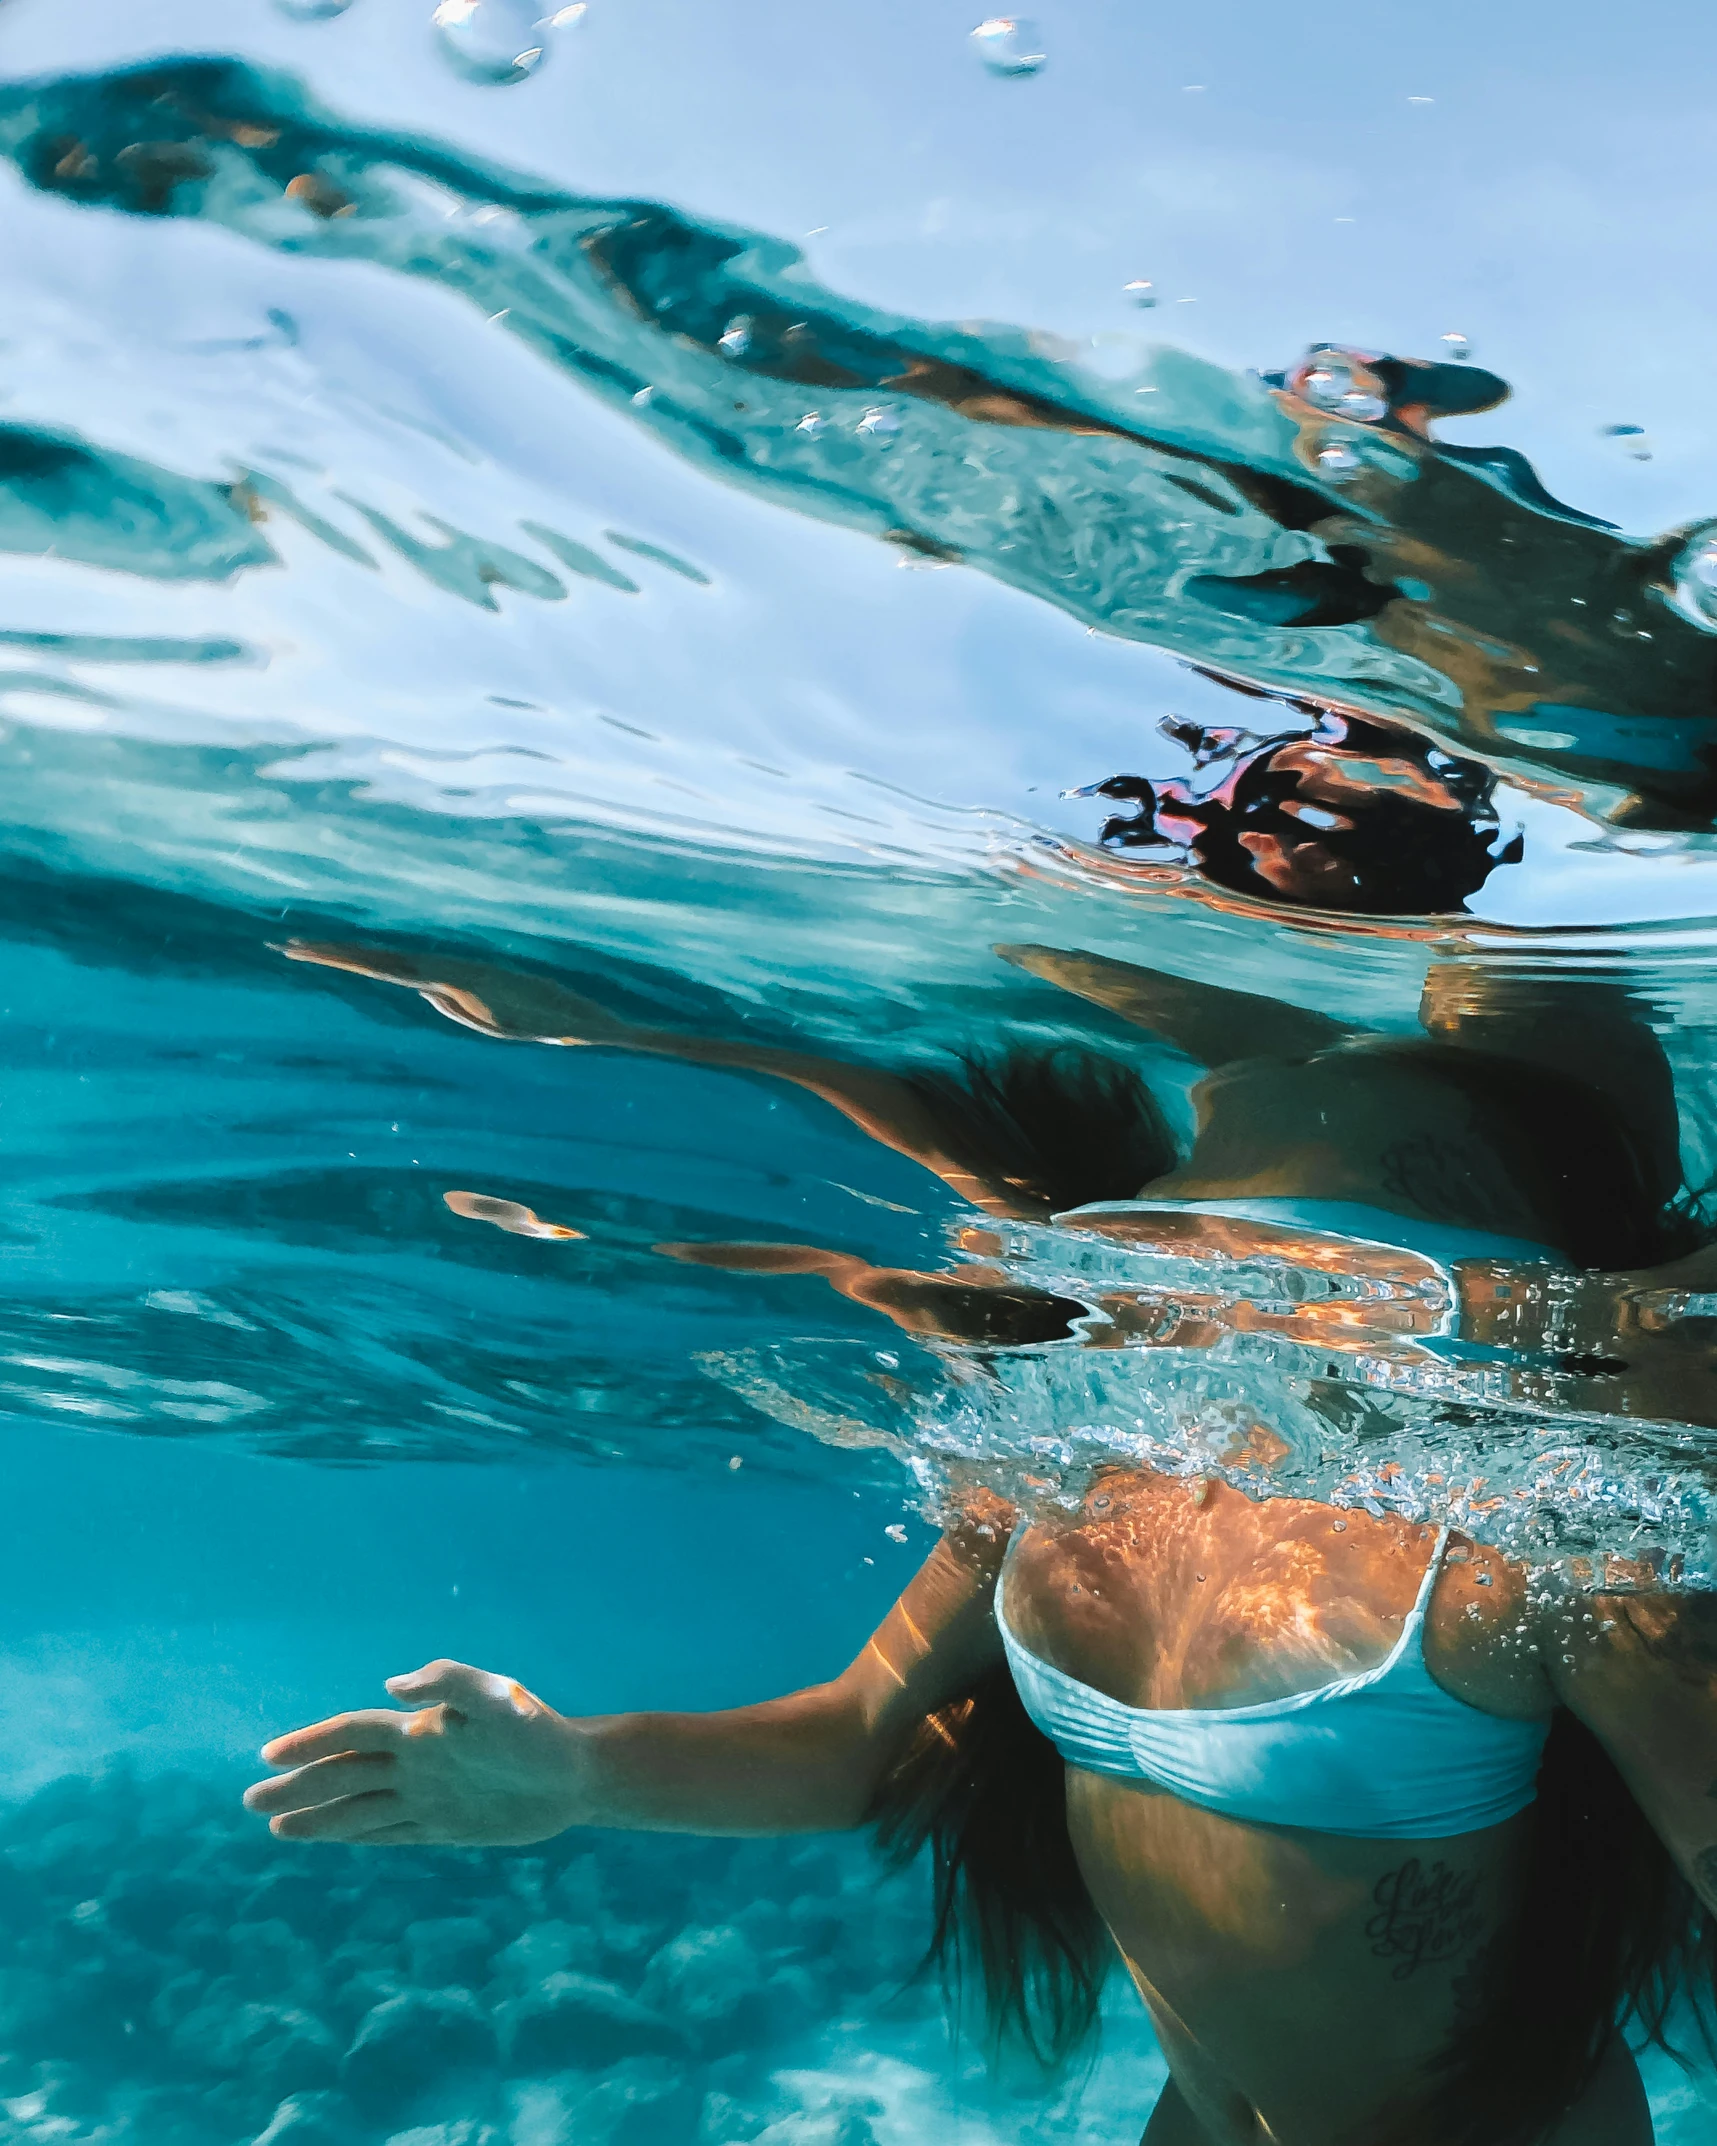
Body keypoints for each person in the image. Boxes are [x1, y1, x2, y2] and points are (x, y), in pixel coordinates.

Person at [247, 930, 1717, 2142]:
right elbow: (854, 1738)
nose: (1194, 1276)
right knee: (1488, 885)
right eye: (1175, 1218)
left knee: (1309, 912)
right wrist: (568, 1774)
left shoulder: (1517, 1524)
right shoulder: (1084, 1455)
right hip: (1213, 2120)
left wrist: (640, 1021)